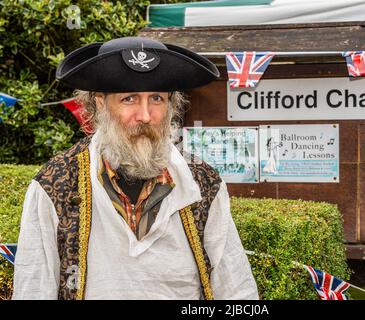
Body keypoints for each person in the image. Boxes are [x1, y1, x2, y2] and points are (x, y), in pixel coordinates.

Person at [12, 37, 258, 300]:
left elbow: (236, 289)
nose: (145, 115)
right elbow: (33, 288)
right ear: (100, 103)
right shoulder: (55, 183)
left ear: (171, 106)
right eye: (129, 99)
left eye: (156, 98)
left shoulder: (204, 183)